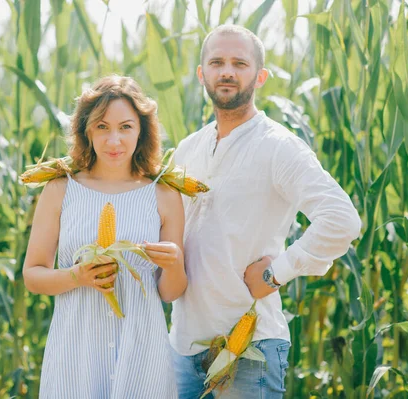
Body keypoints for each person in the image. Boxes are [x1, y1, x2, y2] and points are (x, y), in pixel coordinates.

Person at [170, 25, 361, 398]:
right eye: (217, 62)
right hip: (182, 347)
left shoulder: (279, 147)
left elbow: (342, 219)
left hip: (251, 349)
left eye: (239, 63)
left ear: (259, 77)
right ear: (201, 74)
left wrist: (278, 272)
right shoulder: (188, 149)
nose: (227, 71)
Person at [23, 75, 186, 398]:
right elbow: (32, 275)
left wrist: (175, 264)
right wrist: (77, 276)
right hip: (76, 356)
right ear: (86, 130)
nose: (114, 141)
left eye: (126, 127)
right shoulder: (60, 189)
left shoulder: (164, 194)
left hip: (142, 356)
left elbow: (170, 292)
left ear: (142, 131)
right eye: (102, 127)